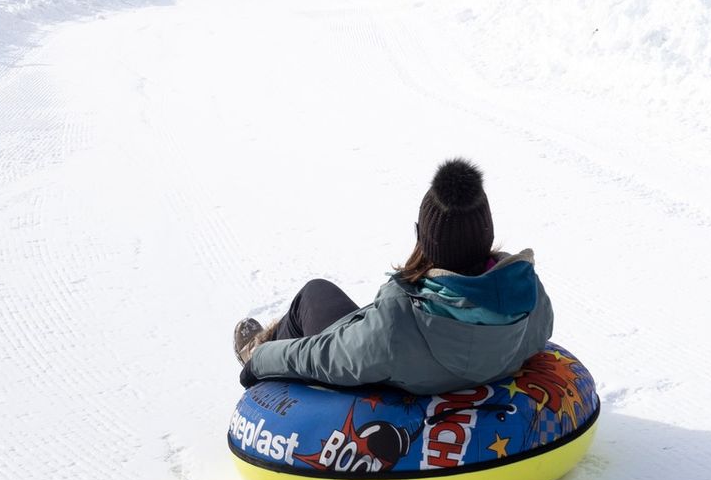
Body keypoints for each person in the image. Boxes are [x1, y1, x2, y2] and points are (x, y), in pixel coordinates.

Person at [233, 159, 551, 395]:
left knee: (314, 294)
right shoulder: (528, 296)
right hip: (442, 365)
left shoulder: (398, 321)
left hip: (387, 379)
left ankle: (259, 345)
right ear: (487, 233)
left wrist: (260, 360)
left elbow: (322, 357)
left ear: (423, 239)